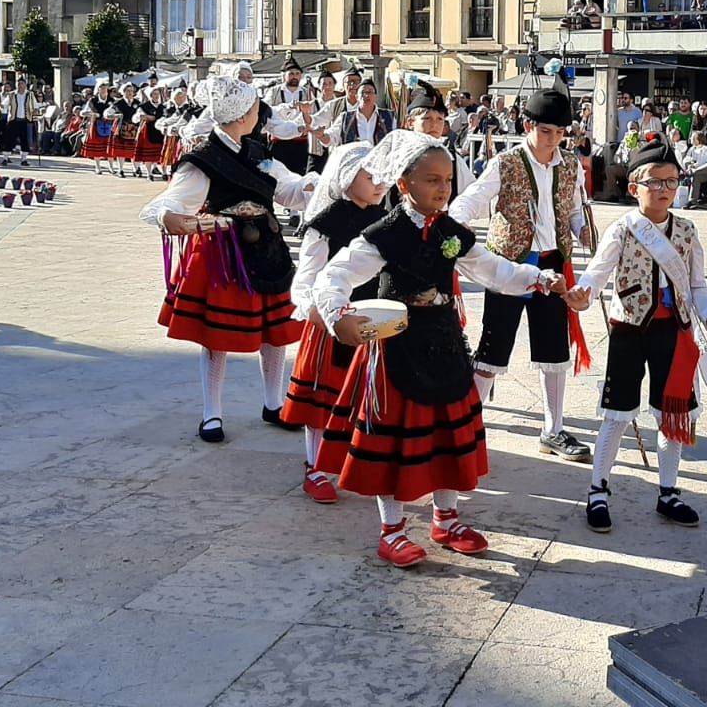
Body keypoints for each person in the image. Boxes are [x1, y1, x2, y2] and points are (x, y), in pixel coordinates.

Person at [311, 132, 568, 567]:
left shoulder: (452, 232)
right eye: (432, 179)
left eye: (448, 179)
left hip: (446, 344)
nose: (443, 188)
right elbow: (333, 275)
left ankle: (445, 519)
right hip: (397, 349)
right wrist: (338, 315)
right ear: (404, 183)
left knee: (447, 437)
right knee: (395, 444)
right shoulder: (384, 234)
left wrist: (537, 279)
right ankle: (391, 529)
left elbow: (492, 269)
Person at [140, 76, 319, 442]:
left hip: (267, 248)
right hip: (225, 255)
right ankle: (212, 414)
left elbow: (287, 190)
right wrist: (169, 218)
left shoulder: (257, 152)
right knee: (217, 337)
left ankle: (274, 403)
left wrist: (314, 185)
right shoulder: (203, 160)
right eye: (255, 108)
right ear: (241, 115)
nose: (258, 113)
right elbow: (168, 204)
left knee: (275, 332)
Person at [569, 136, 707, 533]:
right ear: (634, 186)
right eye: (654, 182)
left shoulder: (687, 231)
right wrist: (583, 294)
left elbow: (697, 285)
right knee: (617, 414)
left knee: (672, 414)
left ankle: (668, 491)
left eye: (671, 181)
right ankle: (598, 490)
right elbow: (598, 273)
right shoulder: (623, 229)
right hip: (629, 329)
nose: (663, 190)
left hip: (674, 332)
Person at [448, 87, 594, 462]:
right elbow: (475, 198)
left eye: (561, 132)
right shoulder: (507, 162)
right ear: (529, 126)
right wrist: (449, 224)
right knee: (494, 347)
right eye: (547, 131)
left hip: (552, 264)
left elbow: (574, 209)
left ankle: (554, 429)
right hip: (509, 265)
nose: (554, 139)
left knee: (554, 350)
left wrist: (582, 230)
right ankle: (468, 425)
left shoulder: (571, 165)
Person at [282, 141, 390, 504]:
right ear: (346, 177)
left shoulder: (386, 220)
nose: (379, 184)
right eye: (370, 176)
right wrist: (321, 312)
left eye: (383, 177)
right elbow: (305, 281)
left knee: (365, 397)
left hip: (373, 322)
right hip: (330, 324)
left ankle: (359, 458)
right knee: (322, 401)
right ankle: (315, 466)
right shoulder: (325, 224)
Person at [264, 57, 312, 175]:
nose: (294, 76)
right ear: (284, 75)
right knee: (276, 174)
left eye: (297, 73)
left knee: (298, 175)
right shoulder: (274, 92)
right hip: (278, 141)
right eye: (291, 74)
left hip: (300, 141)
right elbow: (266, 111)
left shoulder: (307, 92)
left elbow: (312, 113)